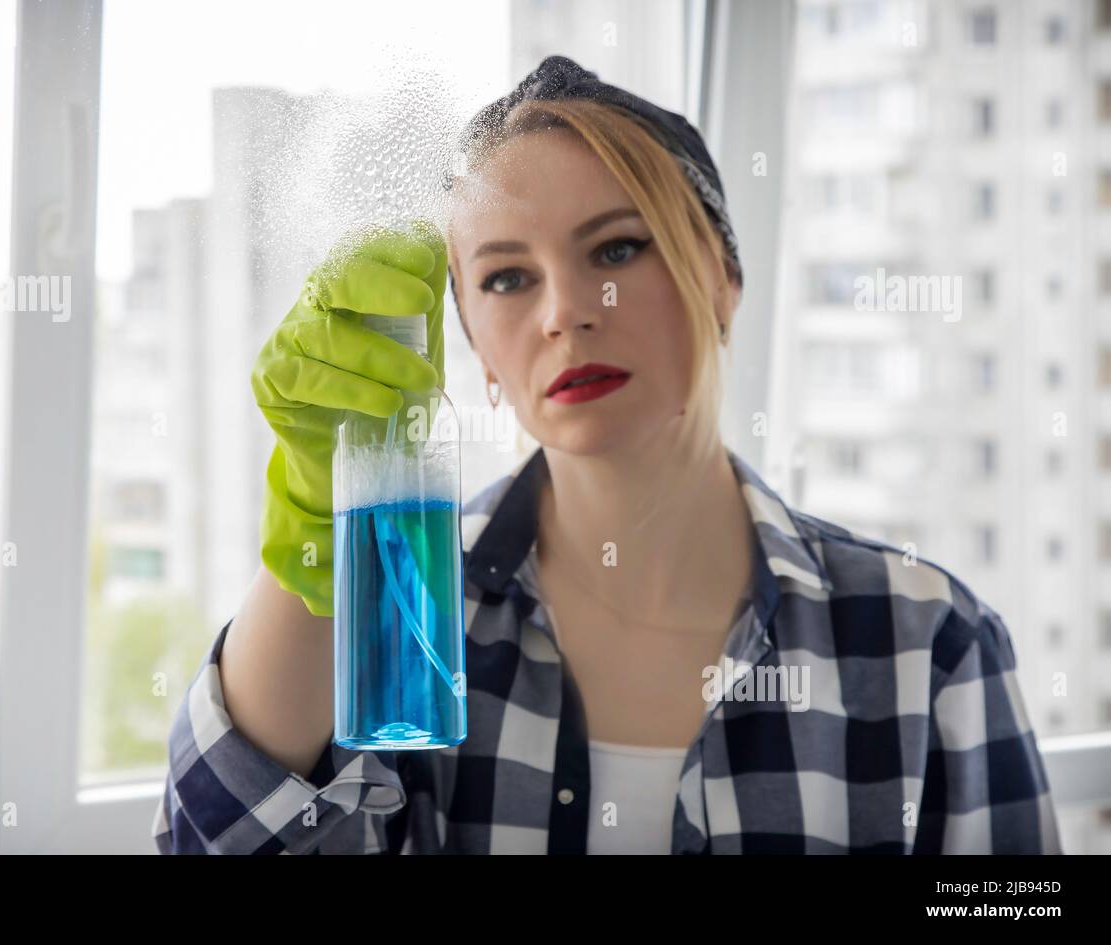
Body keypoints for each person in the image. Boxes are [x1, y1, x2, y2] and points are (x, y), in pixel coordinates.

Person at [152, 55, 1060, 854]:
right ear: (473, 342)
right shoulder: (416, 622)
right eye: (508, 276)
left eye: (617, 248)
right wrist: (322, 537)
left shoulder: (927, 642)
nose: (563, 313)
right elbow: (220, 842)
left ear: (724, 277)